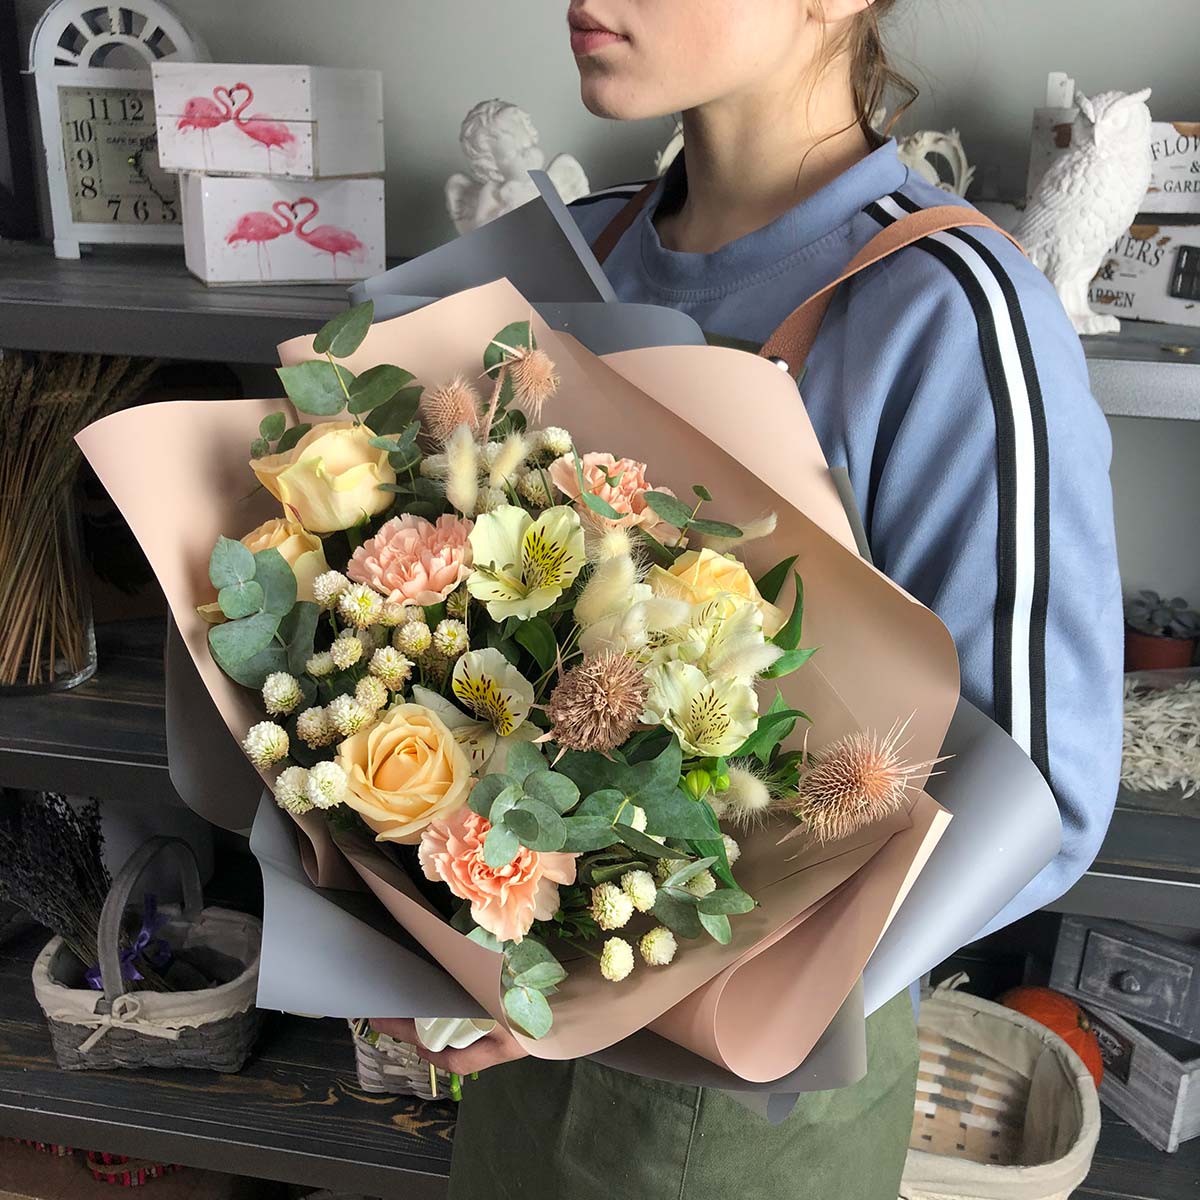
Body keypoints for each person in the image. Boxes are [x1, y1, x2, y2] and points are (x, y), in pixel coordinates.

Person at [373, 3, 1124, 1196]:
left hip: (744, 1107)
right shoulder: (574, 251)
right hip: (515, 1040)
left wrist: (670, 987)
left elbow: (1046, 787)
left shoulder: (950, 309)